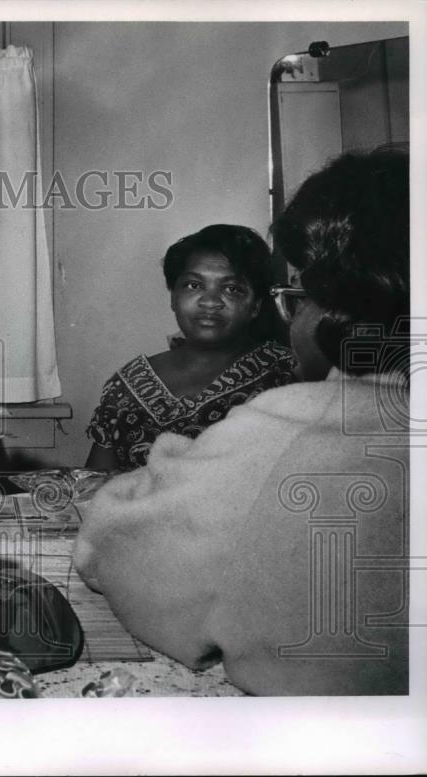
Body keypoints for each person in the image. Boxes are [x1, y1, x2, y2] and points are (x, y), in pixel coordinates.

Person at [72, 148, 409, 695]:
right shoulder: (133, 378)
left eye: (291, 295)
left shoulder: (286, 415)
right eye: (192, 285)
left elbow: (117, 552)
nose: (209, 302)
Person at [85, 224, 296, 472]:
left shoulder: (287, 376)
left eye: (232, 289)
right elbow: (94, 485)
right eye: (194, 285)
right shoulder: (128, 384)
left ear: (256, 306)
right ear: (173, 296)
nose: (210, 302)